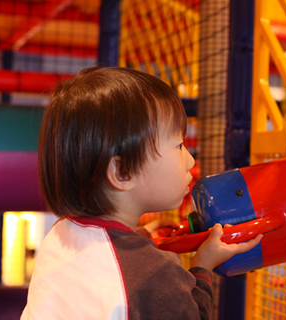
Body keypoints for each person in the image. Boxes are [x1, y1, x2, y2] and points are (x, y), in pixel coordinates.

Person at [21, 67, 262, 320]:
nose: (190, 161)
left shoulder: (60, 235)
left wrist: (141, 238)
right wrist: (203, 267)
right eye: (179, 145)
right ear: (123, 172)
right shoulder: (157, 274)